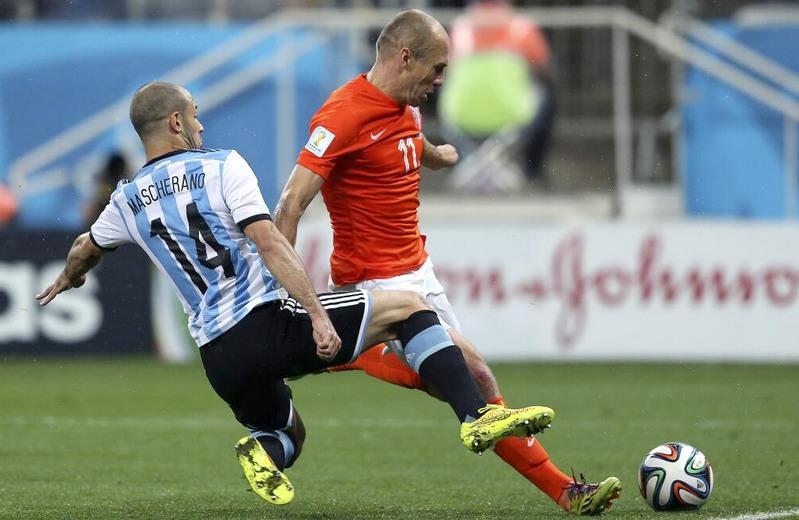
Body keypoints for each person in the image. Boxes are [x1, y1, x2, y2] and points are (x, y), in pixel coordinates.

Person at [35, 81, 555, 506]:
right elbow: (270, 244)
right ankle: (476, 416)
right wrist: (315, 315)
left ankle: (261, 451)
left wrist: (69, 278)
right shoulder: (221, 165)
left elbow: (85, 247)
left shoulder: (126, 200)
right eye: (194, 115)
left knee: (287, 434)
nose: (201, 125)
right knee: (409, 308)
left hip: (218, 357)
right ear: (175, 122)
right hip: (268, 323)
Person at [274, 9, 619, 516]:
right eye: (436, 69)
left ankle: (346, 354)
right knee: (474, 376)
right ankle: (566, 492)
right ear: (404, 57)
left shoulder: (406, 106)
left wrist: (438, 156)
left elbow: (405, 141)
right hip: (374, 283)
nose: (441, 80)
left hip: (419, 272)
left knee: (472, 382)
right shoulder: (341, 114)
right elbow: (289, 204)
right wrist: (286, 296)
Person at [440, 0, 556, 187]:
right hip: (512, 117)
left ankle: (461, 162)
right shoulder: (522, 27)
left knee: (448, 89)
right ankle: (533, 171)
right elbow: (544, 66)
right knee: (544, 93)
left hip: (460, 117)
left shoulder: (460, 26)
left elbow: (445, 69)